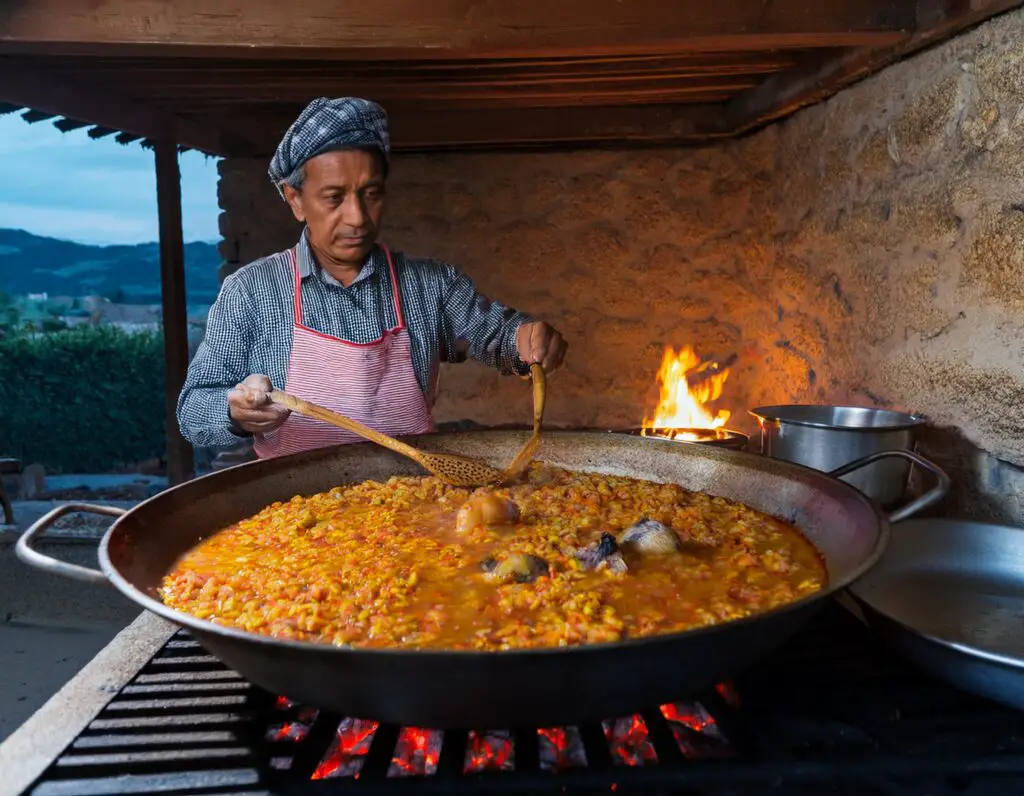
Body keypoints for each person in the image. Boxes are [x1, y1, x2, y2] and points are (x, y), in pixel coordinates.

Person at [177, 96, 566, 459]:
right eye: (334, 198)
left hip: (411, 507)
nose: (358, 218)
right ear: (295, 199)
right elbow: (193, 412)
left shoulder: (430, 286)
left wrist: (526, 340)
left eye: (371, 194)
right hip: (293, 515)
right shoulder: (250, 291)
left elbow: (497, 337)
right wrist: (234, 411)